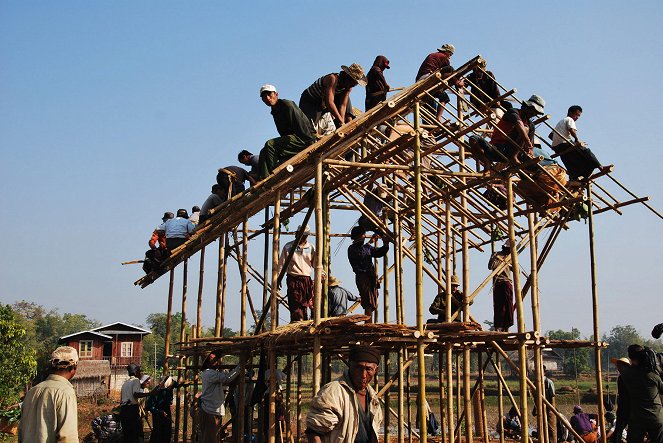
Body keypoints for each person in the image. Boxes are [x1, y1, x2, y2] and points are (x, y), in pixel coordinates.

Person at [306, 345, 383, 443]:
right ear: (350, 365)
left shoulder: (373, 397)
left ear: (376, 370)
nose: (363, 374)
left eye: (368, 369)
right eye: (358, 368)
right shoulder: (333, 392)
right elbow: (313, 431)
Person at [19, 346, 79, 443]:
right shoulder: (65, 392)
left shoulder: (32, 391)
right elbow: (68, 438)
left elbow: (22, 430)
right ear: (74, 367)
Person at [258, 84, 317, 178]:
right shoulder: (274, 111)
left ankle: (273, 176)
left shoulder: (287, 105)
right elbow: (283, 133)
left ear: (276, 94)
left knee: (270, 144)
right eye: (264, 97)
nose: (268, 98)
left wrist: (310, 143)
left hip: (304, 138)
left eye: (269, 95)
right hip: (294, 140)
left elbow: (301, 124)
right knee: (263, 151)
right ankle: (263, 179)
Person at [299, 64, 367, 135]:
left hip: (323, 102)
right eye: (353, 82)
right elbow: (329, 102)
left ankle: (345, 122)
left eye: (355, 84)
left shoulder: (349, 86)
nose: (353, 85)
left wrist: (342, 123)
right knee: (309, 128)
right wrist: (340, 121)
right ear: (347, 77)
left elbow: (343, 105)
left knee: (346, 103)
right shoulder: (333, 79)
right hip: (311, 100)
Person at [550, 106, 611, 182]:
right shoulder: (569, 119)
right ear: (570, 113)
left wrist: (556, 142)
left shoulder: (560, 122)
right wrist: (577, 140)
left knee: (571, 159)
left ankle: (574, 177)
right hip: (564, 144)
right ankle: (601, 167)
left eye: (579, 116)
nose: (577, 117)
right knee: (586, 152)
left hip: (557, 147)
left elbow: (550, 136)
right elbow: (572, 130)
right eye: (576, 115)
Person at [617, 345, 663, 443]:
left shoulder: (624, 376)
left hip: (637, 419)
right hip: (656, 418)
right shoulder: (653, 375)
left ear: (630, 357)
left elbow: (623, 402)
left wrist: (620, 427)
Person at [347, 226, 389, 322]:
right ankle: (368, 323)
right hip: (363, 277)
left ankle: (369, 321)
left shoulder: (366, 247)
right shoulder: (352, 249)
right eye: (362, 235)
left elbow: (379, 252)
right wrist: (368, 243)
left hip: (371, 277)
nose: (363, 237)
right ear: (357, 237)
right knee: (368, 302)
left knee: (372, 300)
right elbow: (362, 254)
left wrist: (386, 245)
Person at [199, 352, 242, 443]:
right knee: (210, 439)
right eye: (212, 359)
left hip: (211, 410)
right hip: (210, 411)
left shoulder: (210, 373)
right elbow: (227, 378)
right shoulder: (210, 373)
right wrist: (240, 366)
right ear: (207, 362)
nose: (216, 361)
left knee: (211, 438)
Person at [415, 43, 464, 123]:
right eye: (450, 54)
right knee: (444, 97)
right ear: (447, 52)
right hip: (428, 79)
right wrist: (457, 82)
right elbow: (450, 70)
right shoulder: (444, 57)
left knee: (432, 102)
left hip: (420, 80)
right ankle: (438, 118)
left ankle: (430, 121)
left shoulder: (433, 55)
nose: (450, 57)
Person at [277, 224, 316, 322]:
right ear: (298, 234)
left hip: (306, 279)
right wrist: (278, 278)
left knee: (305, 304)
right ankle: (297, 322)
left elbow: (316, 264)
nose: (303, 237)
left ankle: (304, 323)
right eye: (302, 235)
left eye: (305, 235)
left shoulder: (311, 248)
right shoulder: (289, 247)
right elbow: (281, 264)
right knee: (295, 304)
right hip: (293, 278)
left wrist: (322, 273)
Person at [488, 241, 515, 332]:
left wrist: (510, 262)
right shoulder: (497, 255)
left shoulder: (511, 256)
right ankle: (498, 327)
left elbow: (515, 270)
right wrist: (501, 260)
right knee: (499, 306)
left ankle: (506, 327)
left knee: (508, 306)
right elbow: (491, 266)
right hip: (499, 282)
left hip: (507, 282)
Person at [120, 364, 150, 443]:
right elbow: (135, 394)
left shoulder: (125, 384)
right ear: (136, 372)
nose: (141, 374)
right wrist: (150, 394)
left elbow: (121, 400)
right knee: (138, 435)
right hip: (132, 410)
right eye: (140, 372)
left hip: (123, 410)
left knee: (128, 436)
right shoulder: (136, 380)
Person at [146, 375, 179, 443]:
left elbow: (176, 384)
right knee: (158, 434)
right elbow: (149, 407)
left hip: (166, 413)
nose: (171, 388)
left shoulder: (168, 390)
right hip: (158, 415)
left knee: (166, 433)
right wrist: (159, 411)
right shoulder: (156, 392)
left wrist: (173, 383)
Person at [611, 356, 631, 443]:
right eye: (617, 366)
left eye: (619, 366)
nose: (618, 368)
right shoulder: (630, 376)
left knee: (619, 429)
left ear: (625, 366)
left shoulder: (622, 378)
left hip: (625, 407)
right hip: (630, 406)